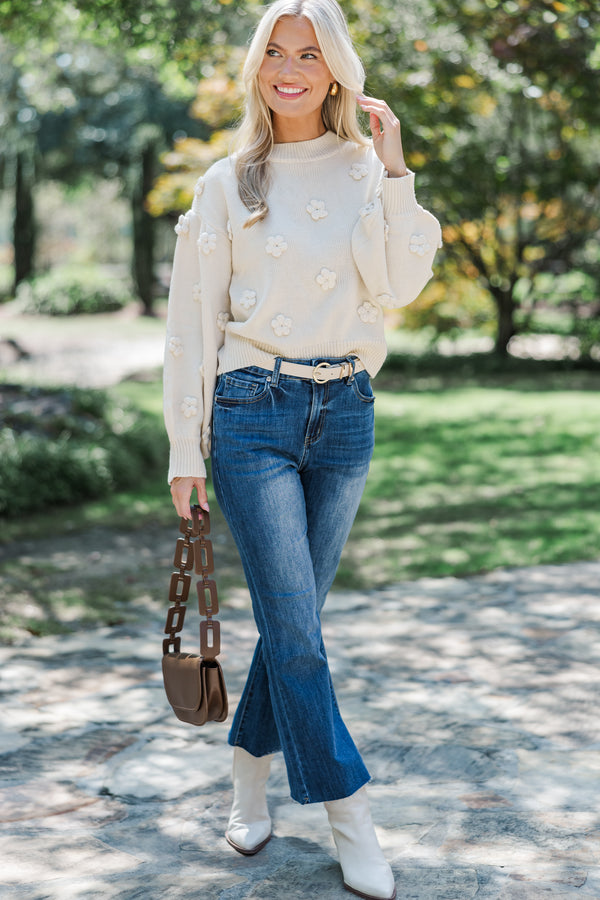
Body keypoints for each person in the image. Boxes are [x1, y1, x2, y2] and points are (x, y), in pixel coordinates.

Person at [164, 1, 441, 897]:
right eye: (275, 52)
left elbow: (399, 282)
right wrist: (185, 449)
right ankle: (348, 811)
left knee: (295, 627)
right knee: (298, 632)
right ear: (258, 66)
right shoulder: (226, 181)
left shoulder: (367, 170)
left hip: (347, 412)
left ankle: (249, 771)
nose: (290, 68)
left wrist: (395, 169)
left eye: (309, 54)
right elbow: (190, 326)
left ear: (337, 69)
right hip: (251, 412)